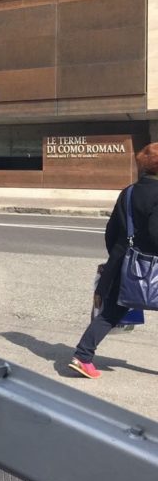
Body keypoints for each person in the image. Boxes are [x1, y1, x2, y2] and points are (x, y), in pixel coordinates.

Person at [69, 144, 158, 379]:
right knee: (111, 313)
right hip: (152, 268)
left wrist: (119, 260)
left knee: (110, 314)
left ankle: (82, 357)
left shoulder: (128, 192)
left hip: (123, 263)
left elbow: (111, 232)